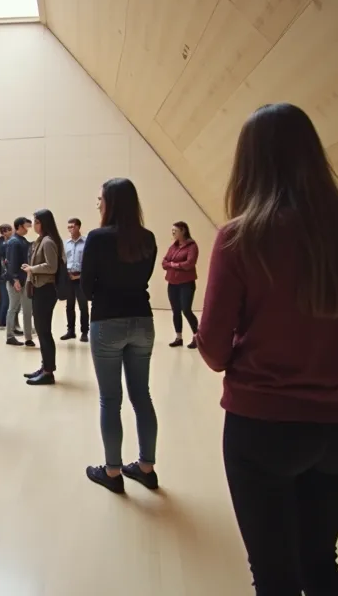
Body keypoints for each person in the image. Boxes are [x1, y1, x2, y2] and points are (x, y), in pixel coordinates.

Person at [196, 103, 338, 595]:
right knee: (322, 566)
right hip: (337, 428)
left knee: (275, 577)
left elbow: (214, 349)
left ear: (249, 163)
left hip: (260, 426)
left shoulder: (241, 237)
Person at [79, 179, 158, 493]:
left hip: (107, 322)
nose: (97, 203)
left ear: (110, 202)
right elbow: (144, 277)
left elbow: (86, 288)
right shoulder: (148, 238)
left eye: (100, 198)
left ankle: (112, 472)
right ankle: (146, 468)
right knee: (142, 396)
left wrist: (103, 290)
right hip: (143, 320)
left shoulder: (97, 238)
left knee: (110, 399)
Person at [23, 209, 64, 385]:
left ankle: (48, 372)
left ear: (44, 223)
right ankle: (45, 366)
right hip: (40, 288)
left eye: (37, 222)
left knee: (44, 331)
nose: (34, 225)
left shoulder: (47, 241)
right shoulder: (41, 240)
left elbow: (51, 267)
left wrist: (32, 269)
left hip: (46, 290)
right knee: (41, 330)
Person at [162, 221, 200, 348]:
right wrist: (176, 265)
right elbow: (164, 262)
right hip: (172, 283)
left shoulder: (192, 246)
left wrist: (174, 265)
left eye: (175, 230)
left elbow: (189, 263)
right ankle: (179, 337)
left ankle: (197, 336)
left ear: (183, 230)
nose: (173, 233)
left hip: (186, 284)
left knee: (186, 310)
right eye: (172, 230)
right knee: (176, 310)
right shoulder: (173, 246)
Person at [4, 217, 34, 346]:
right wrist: (14, 279)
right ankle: (9, 335)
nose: (28, 229)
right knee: (13, 308)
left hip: (24, 280)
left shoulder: (22, 241)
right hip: (15, 281)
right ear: (20, 226)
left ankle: (28, 337)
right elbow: (11, 263)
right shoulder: (14, 242)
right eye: (26, 226)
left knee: (27, 309)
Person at [62, 217, 89, 342]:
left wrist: (80, 276)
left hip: (81, 278)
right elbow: (63, 260)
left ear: (78, 227)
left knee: (83, 305)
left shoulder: (86, 242)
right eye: (69, 227)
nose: (70, 229)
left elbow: (89, 262)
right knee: (69, 306)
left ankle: (84, 332)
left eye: (72, 226)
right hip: (69, 278)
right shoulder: (66, 243)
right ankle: (70, 331)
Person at [0, 223, 12, 328]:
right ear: (5, 232)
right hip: (2, 275)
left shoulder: (2, 242)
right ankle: (2, 321)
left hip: (1, 274)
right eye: (10, 230)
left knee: (2, 300)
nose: (12, 232)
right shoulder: (2, 244)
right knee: (5, 300)